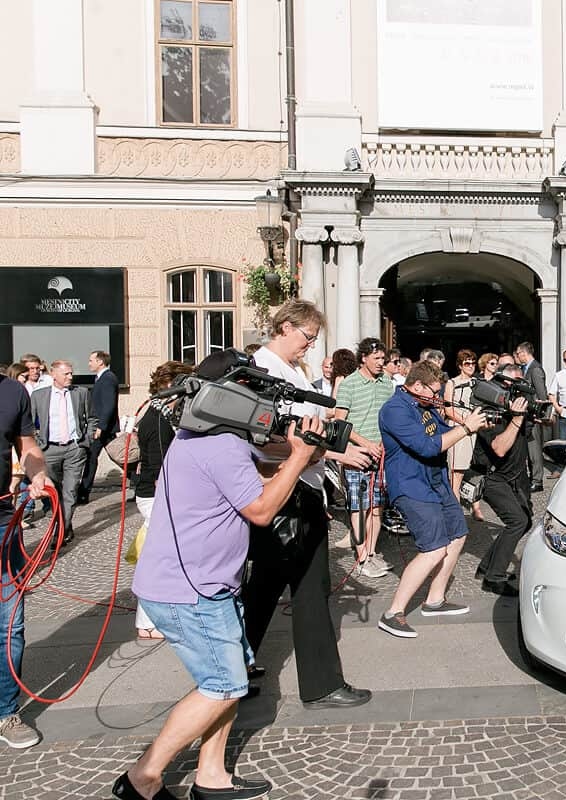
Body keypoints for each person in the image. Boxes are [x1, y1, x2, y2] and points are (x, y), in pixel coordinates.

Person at [115, 352, 327, 800]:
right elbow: (262, 509)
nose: (262, 402)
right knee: (224, 684)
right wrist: (298, 459)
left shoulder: (202, 434)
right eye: (254, 391)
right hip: (191, 590)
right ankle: (143, 777)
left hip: (205, 584)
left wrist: (298, 458)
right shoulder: (221, 444)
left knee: (225, 681)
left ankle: (211, 776)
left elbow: (255, 472)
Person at [242, 301, 373, 710]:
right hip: (288, 492)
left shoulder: (290, 371)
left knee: (263, 589)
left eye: (315, 340)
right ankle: (322, 684)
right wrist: (326, 455)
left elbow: (305, 434)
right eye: (307, 337)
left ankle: (233, 668)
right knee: (308, 589)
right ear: (284, 327)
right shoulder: (263, 372)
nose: (310, 346)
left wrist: (333, 450)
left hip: (301, 488)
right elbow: (265, 440)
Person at [377, 361, 487, 637]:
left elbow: (440, 433)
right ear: (416, 386)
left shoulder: (424, 406)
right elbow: (426, 447)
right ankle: (393, 613)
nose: (437, 398)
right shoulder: (394, 410)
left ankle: (435, 600)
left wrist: (466, 423)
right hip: (411, 485)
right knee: (434, 548)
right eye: (433, 392)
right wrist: (466, 429)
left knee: (458, 534)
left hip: (436, 482)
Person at [0, 367, 49, 750]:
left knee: (9, 624)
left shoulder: (13, 391)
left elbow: (28, 447)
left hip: (3, 521)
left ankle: (5, 711)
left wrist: (37, 472)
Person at [132, 360, 193, 640]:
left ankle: (155, 619)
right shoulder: (157, 418)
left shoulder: (160, 413)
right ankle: (148, 622)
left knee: (162, 558)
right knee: (160, 559)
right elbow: (159, 468)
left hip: (156, 493)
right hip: (155, 495)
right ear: (170, 386)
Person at [333, 338, 396, 577]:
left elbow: (387, 416)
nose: (382, 363)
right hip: (357, 454)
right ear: (363, 358)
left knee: (377, 506)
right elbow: (340, 421)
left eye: (383, 359)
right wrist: (366, 443)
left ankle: (371, 551)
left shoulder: (386, 383)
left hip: (380, 454)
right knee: (358, 506)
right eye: (377, 358)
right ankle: (361, 557)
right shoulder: (349, 384)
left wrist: (383, 441)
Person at [474, 363, 533, 596]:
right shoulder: (489, 410)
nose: (521, 391)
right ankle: (494, 578)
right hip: (494, 477)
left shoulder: (513, 406)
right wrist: (517, 418)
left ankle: (487, 566)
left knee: (525, 520)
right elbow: (499, 447)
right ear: (505, 383)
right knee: (517, 521)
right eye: (517, 384)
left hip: (516, 476)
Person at [30, 360, 96, 543]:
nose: (70, 376)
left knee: (70, 491)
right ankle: (64, 524)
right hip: (49, 449)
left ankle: (60, 533)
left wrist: (86, 440)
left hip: (75, 449)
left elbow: (91, 418)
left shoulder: (81, 393)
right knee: (54, 492)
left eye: (71, 373)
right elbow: (30, 422)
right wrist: (38, 443)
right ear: (54, 375)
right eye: (66, 373)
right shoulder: (39, 396)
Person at [443, 349, 485, 521]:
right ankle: (455, 512)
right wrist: (465, 422)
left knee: (474, 471)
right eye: (467, 363)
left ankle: (474, 507)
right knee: (456, 473)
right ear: (460, 365)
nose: (470, 366)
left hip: (476, 429)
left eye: (473, 362)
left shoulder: (478, 382)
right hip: (459, 428)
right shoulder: (452, 383)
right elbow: (447, 408)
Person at [78, 350, 119, 505]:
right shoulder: (101, 378)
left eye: (91, 360)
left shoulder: (108, 378)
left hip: (103, 427)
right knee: (116, 456)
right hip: (103, 426)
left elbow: (108, 405)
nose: (89, 363)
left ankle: (83, 493)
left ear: (100, 362)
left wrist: (100, 426)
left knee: (91, 457)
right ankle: (138, 481)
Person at [514, 342, 548, 491]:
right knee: (529, 448)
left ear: (523, 353)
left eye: (518, 353)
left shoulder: (535, 369)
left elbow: (541, 395)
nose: (517, 356)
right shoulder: (526, 368)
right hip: (527, 415)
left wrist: (539, 414)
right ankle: (532, 478)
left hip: (533, 416)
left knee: (534, 449)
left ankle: (537, 480)